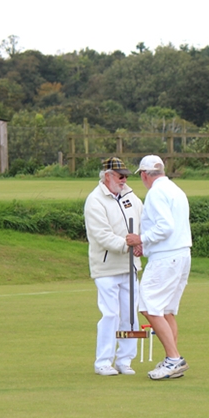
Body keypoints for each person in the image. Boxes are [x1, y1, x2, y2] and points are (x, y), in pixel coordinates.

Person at [125, 155, 192, 380]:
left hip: (167, 259)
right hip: (181, 255)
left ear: (144, 175)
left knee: (148, 306)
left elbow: (165, 227)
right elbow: (170, 229)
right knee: (165, 310)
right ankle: (171, 359)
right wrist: (148, 246)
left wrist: (141, 239)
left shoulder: (155, 193)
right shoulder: (176, 190)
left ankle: (174, 359)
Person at [84, 157, 143, 376]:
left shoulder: (131, 196)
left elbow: (142, 222)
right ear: (107, 176)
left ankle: (125, 360)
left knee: (130, 315)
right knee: (110, 314)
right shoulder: (95, 200)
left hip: (130, 267)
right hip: (106, 267)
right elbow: (101, 235)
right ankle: (103, 362)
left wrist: (141, 243)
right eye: (120, 176)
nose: (124, 179)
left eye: (126, 175)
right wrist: (128, 245)